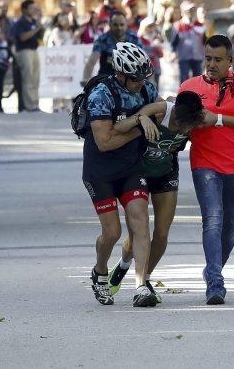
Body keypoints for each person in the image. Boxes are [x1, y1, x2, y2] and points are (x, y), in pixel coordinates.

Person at [179, 34, 234, 305]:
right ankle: (215, 281)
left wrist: (216, 119)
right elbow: (178, 122)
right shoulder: (190, 87)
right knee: (213, 219)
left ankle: (212, 269)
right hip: (205, 164)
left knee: (232, 226)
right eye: (207, 58)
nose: (211, 64)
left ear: (230, 60)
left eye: (218, 59)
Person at [107, 91, 209, 302]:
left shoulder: (200, 117)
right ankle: (124, 265)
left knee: (162, 233)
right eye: (180, 122)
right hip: (139, 173)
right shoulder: (161, 110)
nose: (183, 128)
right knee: (137, 232)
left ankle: (145, 280)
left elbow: (224, 119)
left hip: (166, 172)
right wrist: (143, 119)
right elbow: (136, 117)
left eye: (187, 125)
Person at [82, 42, 160, 307]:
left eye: (144, 77)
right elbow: (105, 142)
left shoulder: (147, 89)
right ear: (121, 75)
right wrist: (140, 123)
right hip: (100, 170)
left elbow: (161, 111)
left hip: (131, 167)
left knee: (140, 221)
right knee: (112, 233)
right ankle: (100, 271)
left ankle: (140, 285)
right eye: (135, 79)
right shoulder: (101, 95)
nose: (141, 83)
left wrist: (148, 113)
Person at [83, 11, 141, 82]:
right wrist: (85, 79)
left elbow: (143, 62)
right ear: (110, 25)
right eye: (115, 25)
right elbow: (91, 62)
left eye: (122, 25)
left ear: (126, 25)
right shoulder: (102, 40)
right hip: (106, 82)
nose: (119, 28)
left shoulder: (135, 39)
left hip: (129, 81)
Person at [9, 0, 44, 112]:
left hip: (34, 50)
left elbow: (40, 37)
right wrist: (36, 29)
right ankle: (29, 106)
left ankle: (35, 104)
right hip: (24, 51)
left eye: (35, 7)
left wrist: (40, 26)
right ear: (24, 9)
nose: (34, 10)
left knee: (35, 79)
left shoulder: (34, 21)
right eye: (31, 8)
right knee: (28, 78)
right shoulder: (20, 22)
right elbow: (22, 37)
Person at [170, 1, 205, 83]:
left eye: (193, 10)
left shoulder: (200, 25)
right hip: (184, 57)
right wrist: (173, 53)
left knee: (198, 80)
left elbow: (205, 41)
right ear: (183, 12)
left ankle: (197, 95)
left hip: (198, 57)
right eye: (188, 11)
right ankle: (184, 95)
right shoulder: (178, 25)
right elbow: (174, 42)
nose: (191, 12)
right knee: (184, 79)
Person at [137, 17, 163, 88]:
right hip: (144, 69)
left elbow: (161, 54)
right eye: (149, 26)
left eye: (152, 26)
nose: (151, 28)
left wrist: (157, 47)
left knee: (156, 87)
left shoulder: (156, 38)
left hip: (156, 67)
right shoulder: (139, 38)